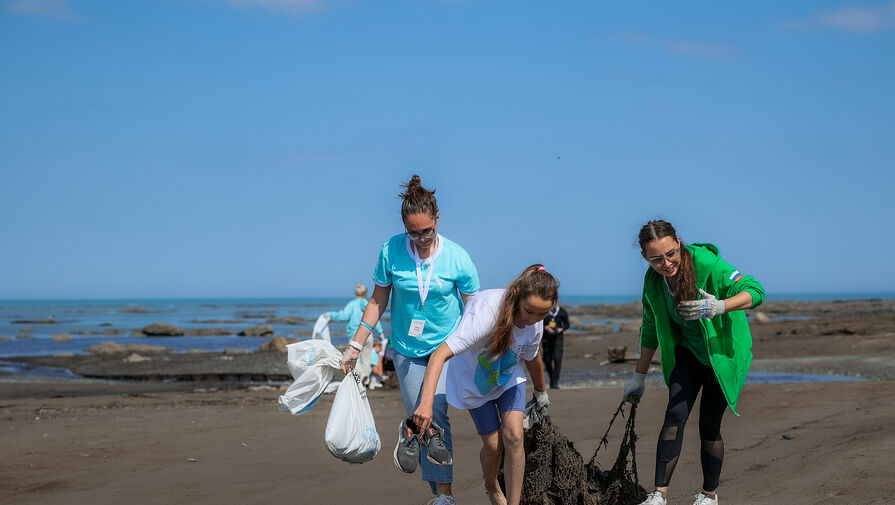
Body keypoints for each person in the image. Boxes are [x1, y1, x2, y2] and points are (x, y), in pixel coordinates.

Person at [340, 175, 480, 505]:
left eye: (426, 231)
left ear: (437, 219)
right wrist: (355, 346)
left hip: (446, 349)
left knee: (436, 414)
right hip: (406, 350)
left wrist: (486, 348)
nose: (420, 238)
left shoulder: (457, 258)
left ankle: (443, 498)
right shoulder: (390, 251)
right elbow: (377, 302)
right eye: (413, 232)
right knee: (425, 421)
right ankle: (432, 476)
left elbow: (475, 307)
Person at [623, 220, 765, 505]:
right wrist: (639, 377)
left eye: (671, 253)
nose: (666, 263)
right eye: (656, 259)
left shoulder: (706, 263)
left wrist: (720, 306)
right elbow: (649, 328)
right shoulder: (653, 282)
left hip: (720, 353)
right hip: (688, 353)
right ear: (644, 257)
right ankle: (659, 495)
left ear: (679, 241)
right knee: (674, 416)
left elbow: (756, 290)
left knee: (709, 425)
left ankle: (708, 495)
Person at [413, 265, 556, 505]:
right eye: (528, 311)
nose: (532, 320)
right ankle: (491, 483)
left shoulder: (535, 324)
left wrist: (541, 392)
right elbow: (439, 355)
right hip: (475, 381)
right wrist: (426, 404)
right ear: (517, 295)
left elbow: (532, 358)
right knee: (493, 445)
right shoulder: (487, 313)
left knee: (514, 435)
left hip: (509, 377)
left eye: (541, 315)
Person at [329, 284, 384, 385]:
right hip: (368, 335)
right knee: (367, 357)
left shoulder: (352, 304)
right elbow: (375, 318)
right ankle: (366, 376)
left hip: (355, 336)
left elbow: (343, 316)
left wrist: (330, 315)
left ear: (356, 293)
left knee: (355, 357)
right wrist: (380, 332)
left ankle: (360, 376)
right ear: (366, 293)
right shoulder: (369, 304)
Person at [541, 304, 570, 389]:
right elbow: (537, 323)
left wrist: (561, 329)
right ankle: (551, 378)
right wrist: (546, 327)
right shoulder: (544, 311)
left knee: (557, 359)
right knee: (547, 360)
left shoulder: (562, 312)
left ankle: (555, 382)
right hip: (546, 339)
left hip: (558, 339)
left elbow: (567, 325)